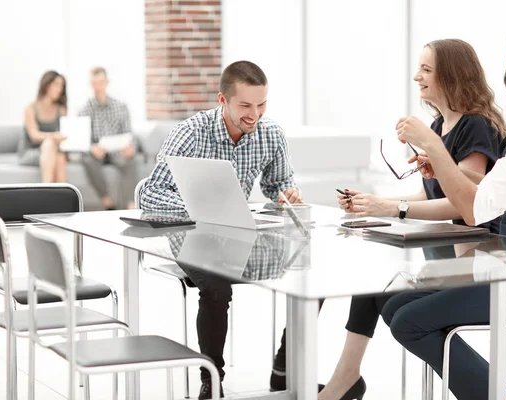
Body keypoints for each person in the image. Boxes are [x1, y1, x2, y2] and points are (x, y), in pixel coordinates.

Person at [384, 4, 506, 400]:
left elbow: (477, 208)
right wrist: (442, 168)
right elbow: (494, 187)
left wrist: (433, 145)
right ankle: (500, 392)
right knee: (394, 307)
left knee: (409, 322)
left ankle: (503, 397)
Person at [319, 38, 506, 400]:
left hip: (482, 257)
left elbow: (462, 205)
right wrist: (374, 202)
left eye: (426, 69)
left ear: (451, 75)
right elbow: (430, 194)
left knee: (393, 305)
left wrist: (392, 210)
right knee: (373, 286)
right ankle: (344, 380)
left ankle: (492, 390)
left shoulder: (476, 126)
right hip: (450, 255)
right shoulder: (439, 126)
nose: (416, 76)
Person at [140, 60, 302, 399]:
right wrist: (199, 210)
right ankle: (212, 380)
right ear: (222, 100)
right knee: (216, 286)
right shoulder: (191, 132)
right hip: (191, 235)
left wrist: (287, 194)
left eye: (262, 104)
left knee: (306, 269)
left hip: (240, 235)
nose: (254, 114)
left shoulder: (270, 133)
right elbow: (152, 192)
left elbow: (279, 184)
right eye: (245, 105)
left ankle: (285, 369)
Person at [79, 67, 137, 210]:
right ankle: (107, 202)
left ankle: (130, 205)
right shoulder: (85, 109)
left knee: (131, 160)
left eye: (101, 82)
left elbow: (129, 134)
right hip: (98, 154)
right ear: (91, 84)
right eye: (94, 83)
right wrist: (92, 148)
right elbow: (82, 139)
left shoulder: (120, 107)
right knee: (87, 160)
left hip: (117, 152)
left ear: (107, 82)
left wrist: (130, 147)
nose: (98, 87)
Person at [20, 70, 68, 183]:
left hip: (53, 151)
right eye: (56, 84)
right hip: (31, 152)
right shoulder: (31, 108)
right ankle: (46, 189)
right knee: (49, 144)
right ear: (46, 85)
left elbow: (64, 134)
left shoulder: (61, 110)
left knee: (60, 156)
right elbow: (34, 135)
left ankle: (61, 197)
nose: (60, 89)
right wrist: (54, 137)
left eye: (62, 86)